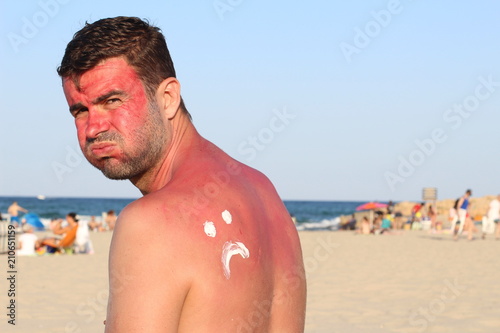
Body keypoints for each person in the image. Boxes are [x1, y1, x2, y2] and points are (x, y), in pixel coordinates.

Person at [57, 16, 306, 332]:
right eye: (80, 110)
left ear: (168, 98)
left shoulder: (151, 222)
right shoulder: (263, 191)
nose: (94, 127)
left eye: (112, 101)